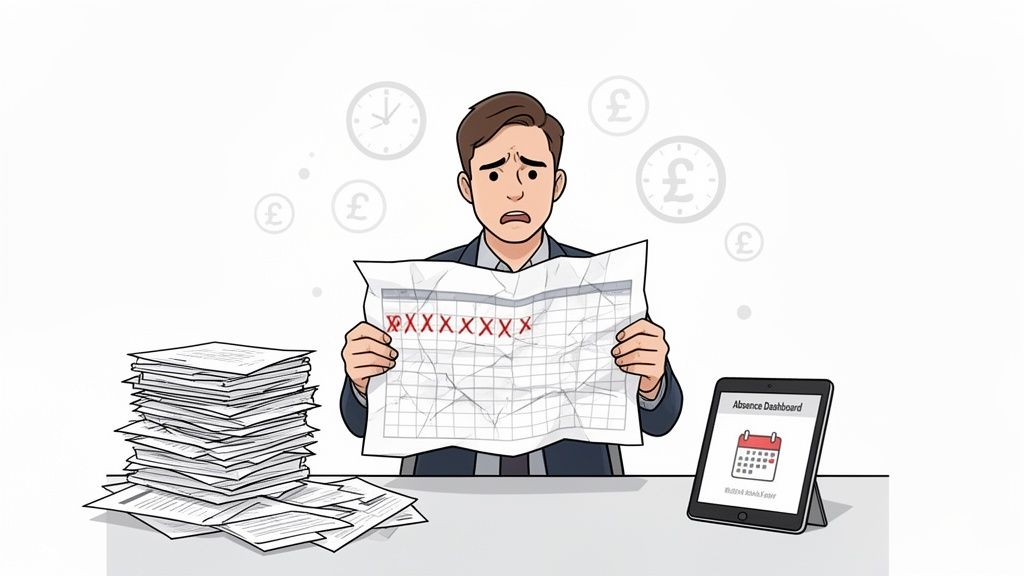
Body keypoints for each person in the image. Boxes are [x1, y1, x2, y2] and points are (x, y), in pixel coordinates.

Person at [340, 91, 682, 475]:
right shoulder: (419, 288)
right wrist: (360, 380)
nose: (514, 190)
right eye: (493, 173)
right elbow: (357, 423)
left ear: (556, 184)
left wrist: (653, 379)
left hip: (576, 499)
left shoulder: (601, 283)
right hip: (448, 499)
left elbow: (661, 420)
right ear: (467, 188)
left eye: (533, 172)